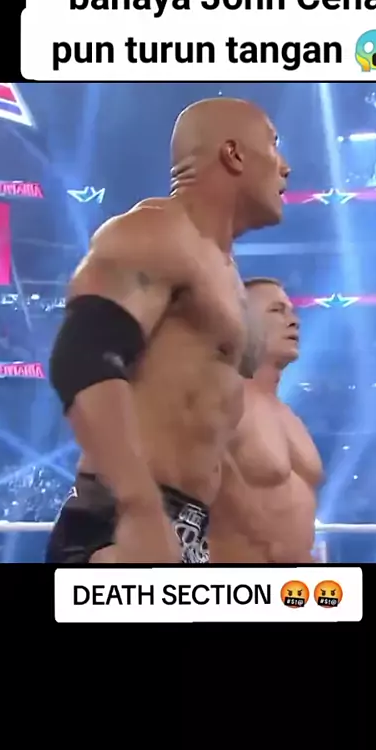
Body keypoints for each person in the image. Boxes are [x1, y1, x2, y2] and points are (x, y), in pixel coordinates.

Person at [45, 98, 290, 564]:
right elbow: (82, 358)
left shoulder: (225, 275)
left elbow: (206, 425)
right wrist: (140, 508)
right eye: (274, 145)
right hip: (121, 523)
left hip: (185, 525)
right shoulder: (156, 232)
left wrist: (258, 533)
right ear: (234, 154)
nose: (286, 166)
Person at [209, 278, 323, 564]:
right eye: (276, 310)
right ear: (240, 321)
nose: (294, 321)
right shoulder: (216, 399)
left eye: (292, 311)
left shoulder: (289, 416)